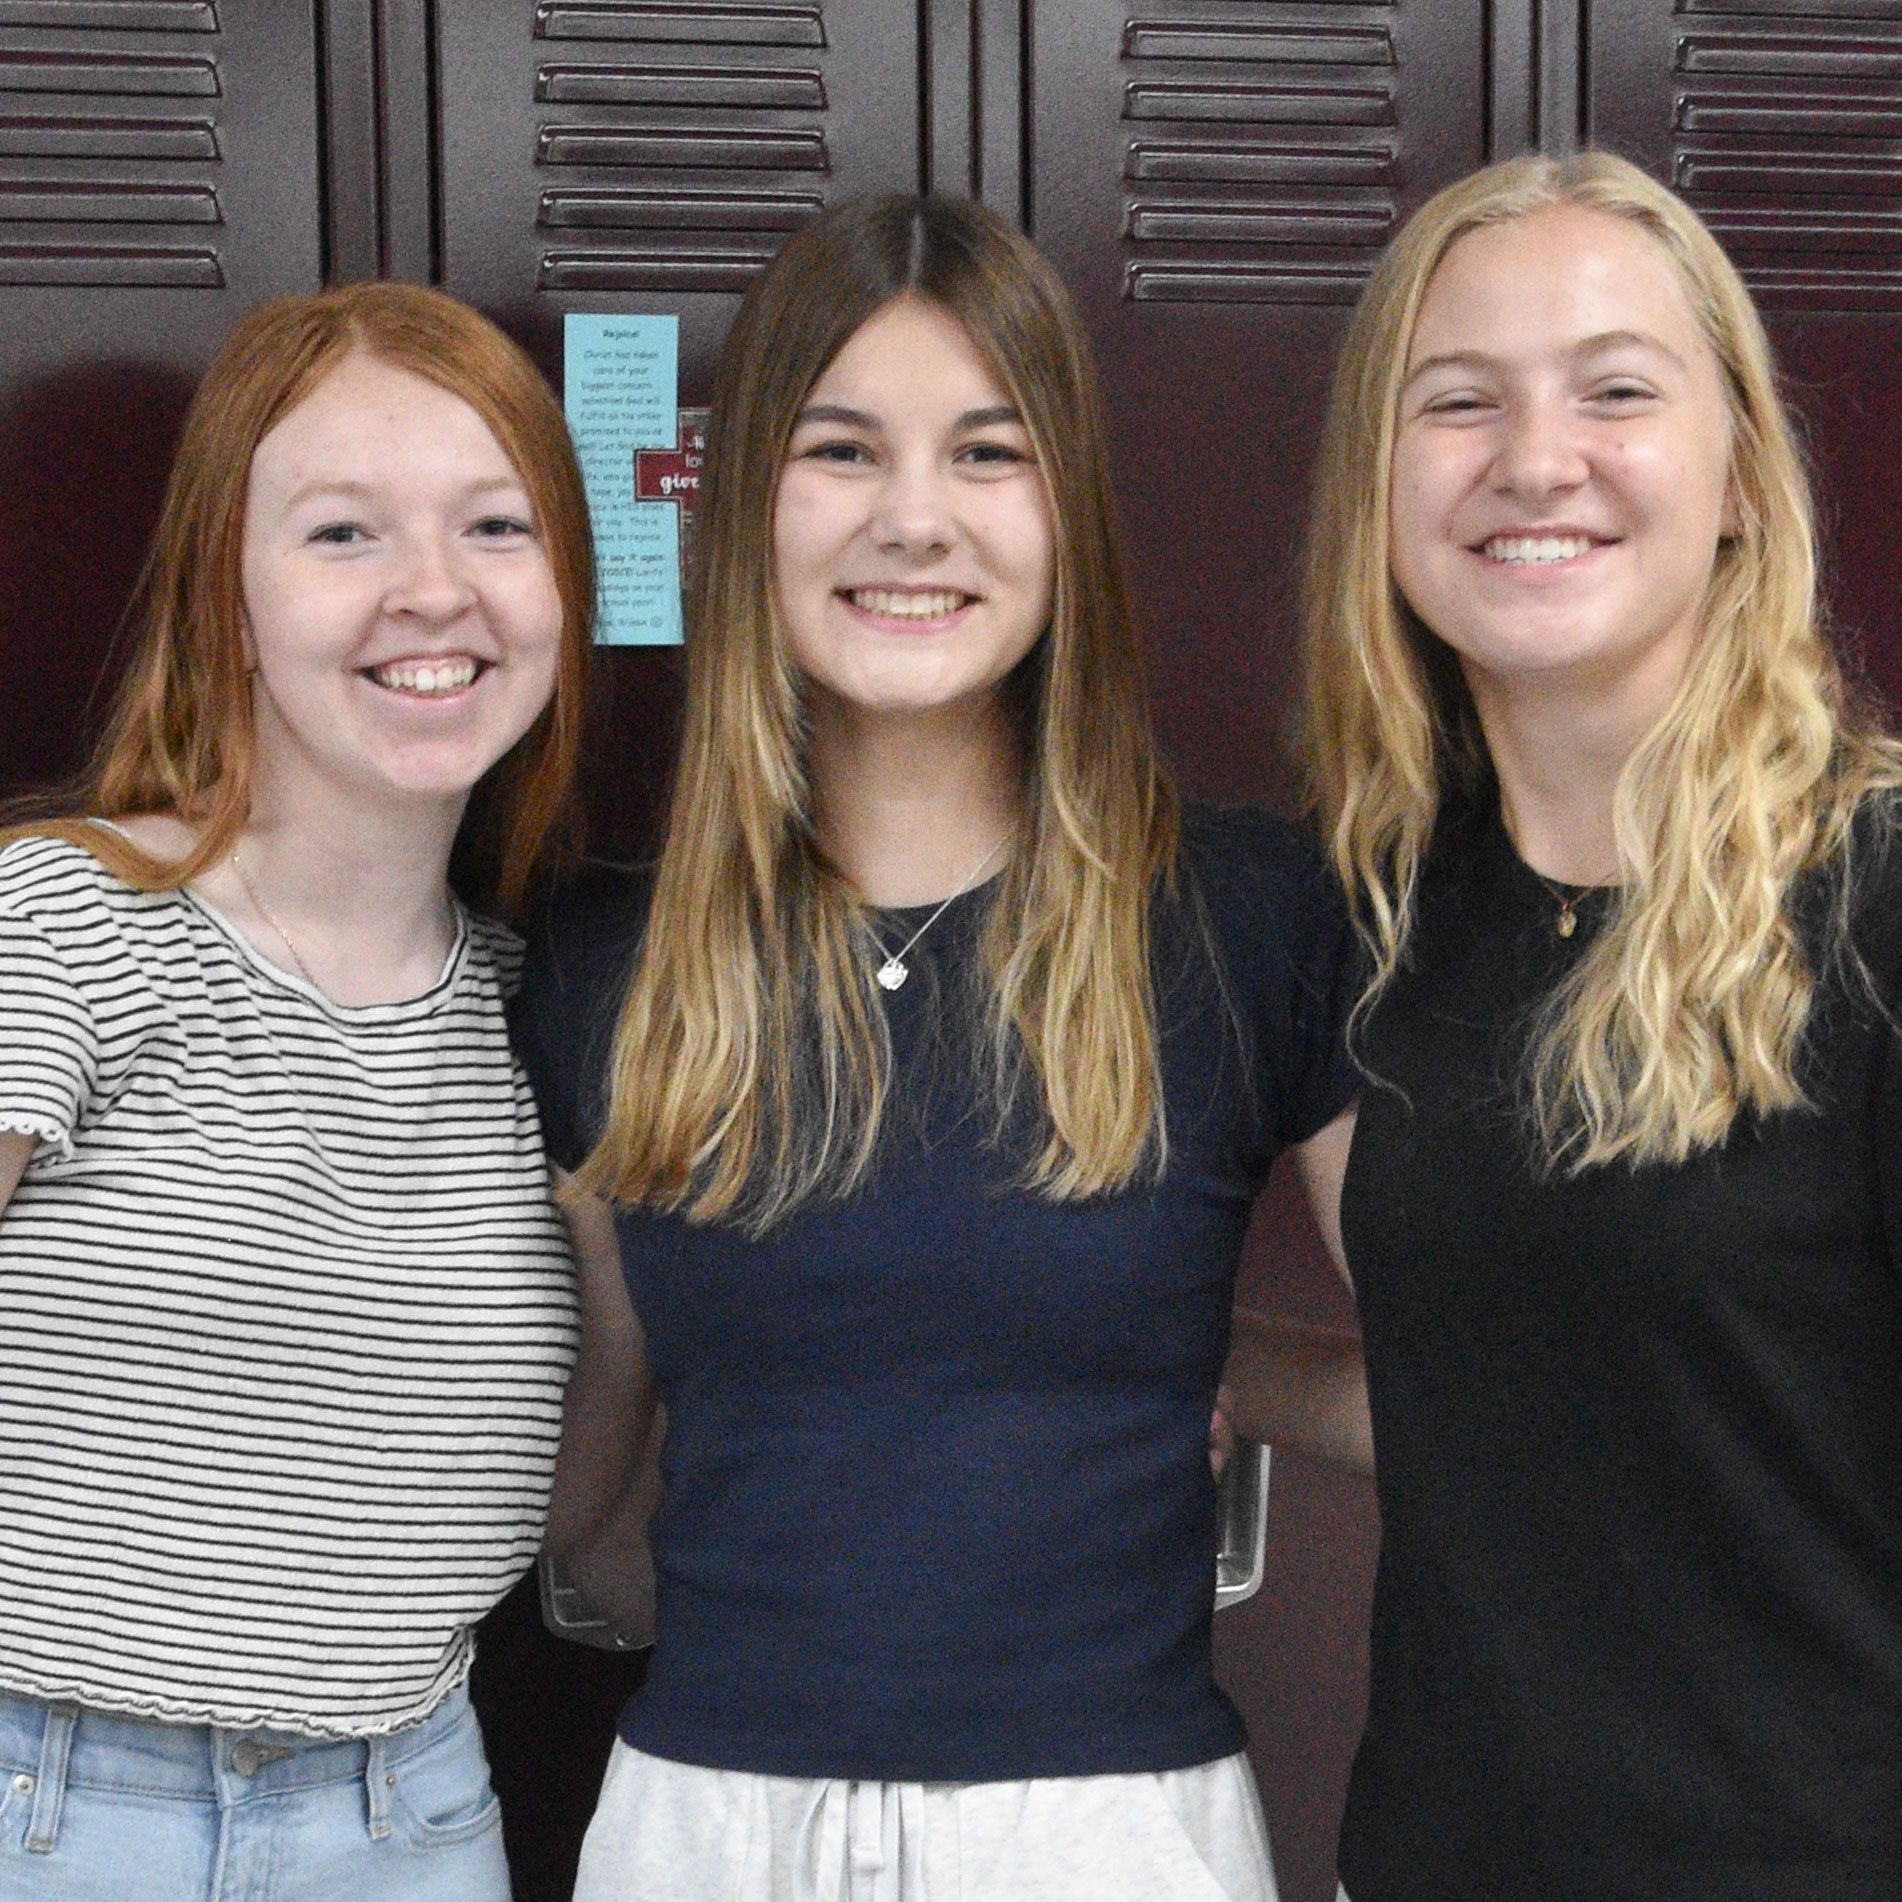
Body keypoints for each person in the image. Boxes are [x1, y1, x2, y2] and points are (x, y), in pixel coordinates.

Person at [514, 193, 1369, 1902]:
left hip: (1113, 1836)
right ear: (745, 495)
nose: (914, 519)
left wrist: (1223, 1369)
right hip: (708, 1832)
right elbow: (591, 1498)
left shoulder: (1243, 913)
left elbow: (1488, 1380)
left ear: (1068, 516)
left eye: (988, 453)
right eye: (840, 449)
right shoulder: (606, 958)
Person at [1297, 150, 1902, 1900]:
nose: (1533, 460)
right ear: (1381, 489)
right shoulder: (1385, 911)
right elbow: (1526, 1383)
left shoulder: (1871, 898)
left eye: (1614, 390)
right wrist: (1225, 1373)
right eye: (1457, 401)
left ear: (1733, 473)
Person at [0, 280, 594, 1899]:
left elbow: (590, 1498)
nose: (431, 593)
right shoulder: (61, 923)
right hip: (48, 1800)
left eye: (494, 527)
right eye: (343, 534)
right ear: (228, 590)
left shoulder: (547, 1008)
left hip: (410, 1811)